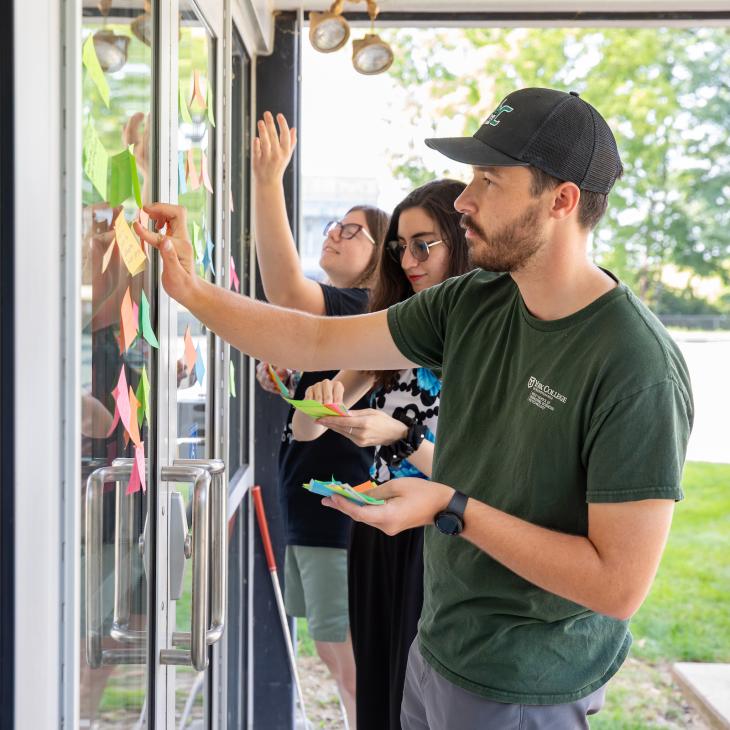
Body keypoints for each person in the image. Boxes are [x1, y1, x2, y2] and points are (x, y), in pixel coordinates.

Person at [138, 87, 693, 729]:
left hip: (523, 683)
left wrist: (449, 505)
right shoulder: (475, 302)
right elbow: (313, 337)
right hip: (436, 649)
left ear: (562, 200)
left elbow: (618, 585)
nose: (464, 201)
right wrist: (187, 287)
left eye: (489, 179)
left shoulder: (636, 365)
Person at [292, 179, 472, 730]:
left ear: (460, 243)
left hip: (442, 535)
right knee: (378, 693)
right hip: (376, 529)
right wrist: (322, 400)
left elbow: (475, 482)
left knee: (419, 694)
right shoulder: (398, 329)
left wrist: (401, 437)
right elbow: (303, 432)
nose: (409, 259)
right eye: (400, 245)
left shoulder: (483, 339)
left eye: (424, 244)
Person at [251, 111, 389, 728]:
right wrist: (293, 385)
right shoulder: (344, 320)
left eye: (353, 231)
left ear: (378, 259)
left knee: (347, 659)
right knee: (336, 656)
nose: (335, 233)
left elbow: (284, 290)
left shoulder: (357, 305)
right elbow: (319, 413)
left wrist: (267, 180)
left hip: (338, 512)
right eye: (336, 224)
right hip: (313, 507)